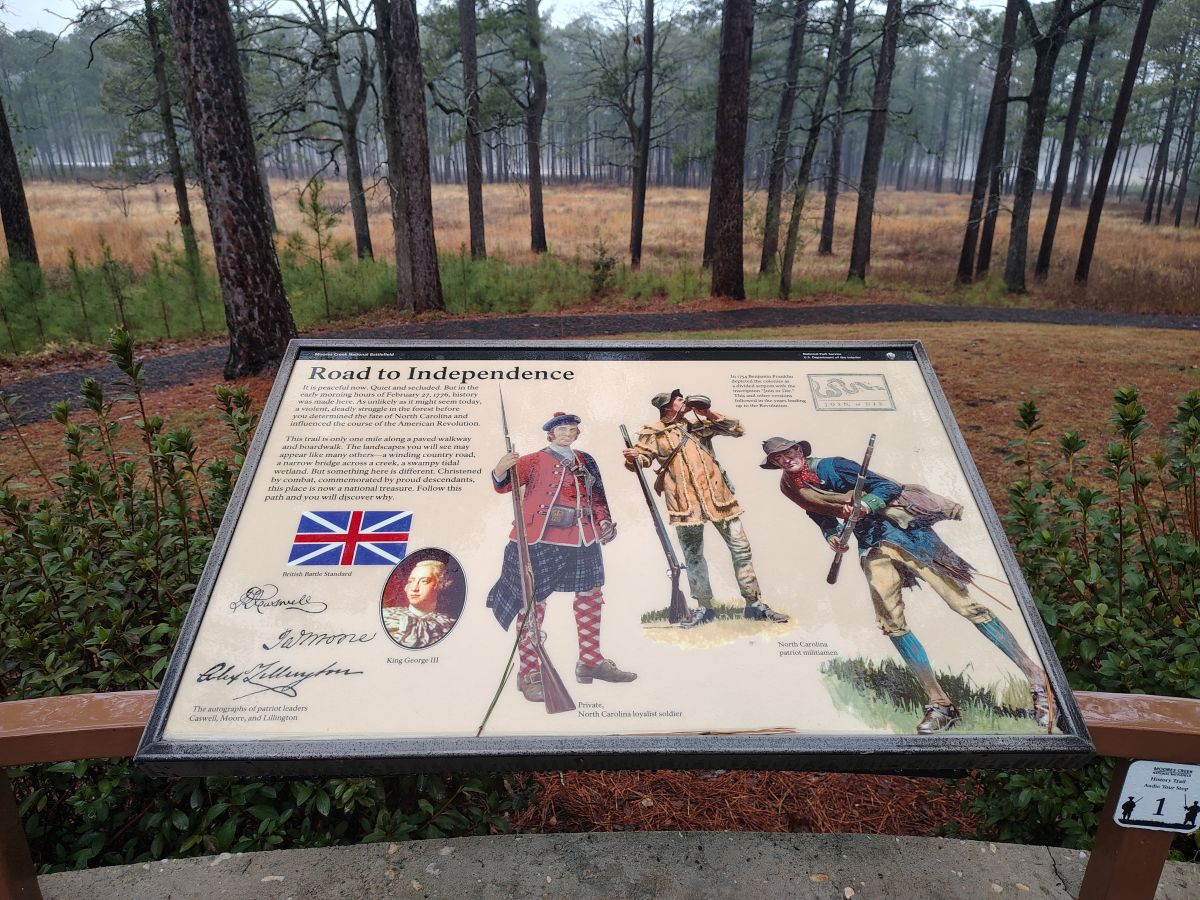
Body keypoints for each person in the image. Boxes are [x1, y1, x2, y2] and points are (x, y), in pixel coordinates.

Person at [760, 436, 1052, 734]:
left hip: (906, 535)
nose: (786, 459)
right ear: (774, 464)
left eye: (790, 452)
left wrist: (866, 505)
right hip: (871, 546)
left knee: (964, 605)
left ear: (800, 451)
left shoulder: (835, 466)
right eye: (778, 458)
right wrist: (831, 535)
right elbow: (817, 513)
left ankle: (1038, 680)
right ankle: (940, 704)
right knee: (891, 621)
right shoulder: (789, 487)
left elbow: (890, 487)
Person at [488, 411, 636, 702]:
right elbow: (504, 486)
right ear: (551, 434)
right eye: (562, 429)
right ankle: (529, 672)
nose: (568, 433)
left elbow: (598, 496)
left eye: (572, 429)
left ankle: (590, 661)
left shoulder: (586, 460)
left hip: (584, 536)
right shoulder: (533, 459)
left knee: (591, 594)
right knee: (533, 603)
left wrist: (603, 522)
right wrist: (500, 470)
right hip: (542, 537)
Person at [623, 389, 788, 626]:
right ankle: (704, 608)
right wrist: (633, 457)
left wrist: (707, 412)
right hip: (685, 505)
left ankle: (754, 604)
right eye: (679, 399)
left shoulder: (698, 424)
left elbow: (738, 429)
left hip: (719, 499)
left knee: (741, 550)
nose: (685, 401)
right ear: (668, 406)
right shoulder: (654, 433)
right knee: (694, 557)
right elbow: (643, 460)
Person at [382, 559, 458, 649]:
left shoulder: (448, 625)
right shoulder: (387, 616)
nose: (414, 588)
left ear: (440, 584)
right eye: (411, 581)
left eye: (424, 581)